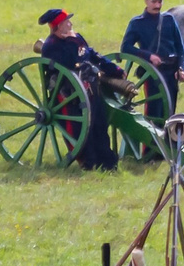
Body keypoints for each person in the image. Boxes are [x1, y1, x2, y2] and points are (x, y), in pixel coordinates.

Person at [36, 9, 126, 170]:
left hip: (90, 89)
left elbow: (92, 54)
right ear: (58, 26)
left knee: (99, 124)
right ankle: (88, 162)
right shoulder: (51, 46)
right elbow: (70, 63)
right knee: (80, 129)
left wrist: (115, 70)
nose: (70, 24)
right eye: (66, 22)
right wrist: (72, 42)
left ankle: (107, 161)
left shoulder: (76, 38)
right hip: (68, 94)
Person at [120, 0, 184, 110]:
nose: (157, 5)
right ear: (146, 0)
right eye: (154, 1)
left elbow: (180, 48)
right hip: (153, 73)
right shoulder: (137, 23)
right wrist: (148, 56)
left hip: (171, 72)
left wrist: (181, 68)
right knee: (153, 110)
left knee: (170, 110)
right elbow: (126, 48)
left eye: (160, 2)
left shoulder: (169, 20)